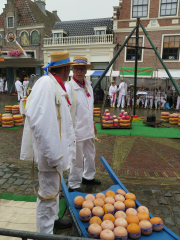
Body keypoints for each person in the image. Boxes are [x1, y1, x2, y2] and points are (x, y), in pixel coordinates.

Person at [20, 51, 76, 234]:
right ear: (66, 68)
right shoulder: (46, 84)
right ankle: (45, 233)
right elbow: (40, 121)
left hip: (55, 152)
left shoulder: (55, 84)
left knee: (54, 190)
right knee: (47, 193)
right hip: (50, 153)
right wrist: (53, 156)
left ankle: (52, 220)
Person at [65, 56, 101, 192]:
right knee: (77, 158)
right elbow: (66, 111)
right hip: (76, 130)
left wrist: (92, 124)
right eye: (76, 68)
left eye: (82, 68)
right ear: (72, 70)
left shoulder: (88, 86)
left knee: (91, 154)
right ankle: (74, 183)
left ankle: (88, 177)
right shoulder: (69, 87)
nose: (79, 71)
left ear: (86, 70)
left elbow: (89, 108)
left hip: (88, 128)